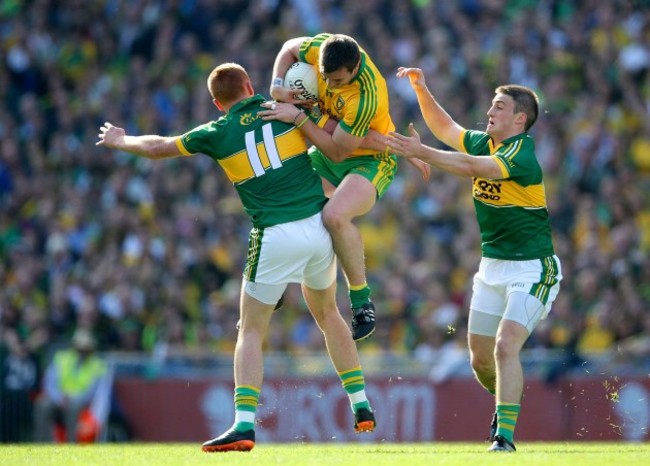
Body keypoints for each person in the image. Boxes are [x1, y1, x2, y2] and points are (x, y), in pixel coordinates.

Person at [96, 62, 376, 452]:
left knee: (251, 329)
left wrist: (121, 140)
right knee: (329, 315)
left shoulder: (217, 131)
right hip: (317, 225)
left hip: (274, 234)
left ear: (216, 102)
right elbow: (342, 133)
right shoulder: (285, 108)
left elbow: (159, 147)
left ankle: (244, 425)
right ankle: (360, 403)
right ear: (249, 84)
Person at [386, 68, 562, 453]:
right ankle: (507, 400)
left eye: (499, 106)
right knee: (481, 361)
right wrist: (421, 87)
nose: (490, 110)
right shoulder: (485, 142)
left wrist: (419, 151)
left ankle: (504, 436)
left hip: (533, 268)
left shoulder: (521, 153)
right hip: (492, 267)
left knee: (505, 346)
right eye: (492, 104)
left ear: (520, 118)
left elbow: (468, 167)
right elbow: (445, 127)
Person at [266, 33, 430, 342]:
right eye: (327, 78)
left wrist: (299, 116)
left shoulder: (367, 95)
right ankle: (276, 278)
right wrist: (277, 85)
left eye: (338, 81)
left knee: (334, 216)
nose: (331, 85)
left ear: (355, 68)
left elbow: (337, 150)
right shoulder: (326, 48)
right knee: (282, 197)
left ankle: (361, 303)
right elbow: (288, 48)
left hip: (367, 161)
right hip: (337, 143)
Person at [33, 328, 107, 442]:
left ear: (91, 348)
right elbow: (49, 383)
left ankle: (72, 447)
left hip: (80, 402)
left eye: (85, 348)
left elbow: (92, 392)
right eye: (80, 347)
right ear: (74, 346)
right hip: (58, 399)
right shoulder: (62, 358)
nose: (82, 350)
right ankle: (42, 445)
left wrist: (71, 399)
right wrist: (59, 398)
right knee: (42, 404)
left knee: (73, 408)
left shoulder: (97, 365)